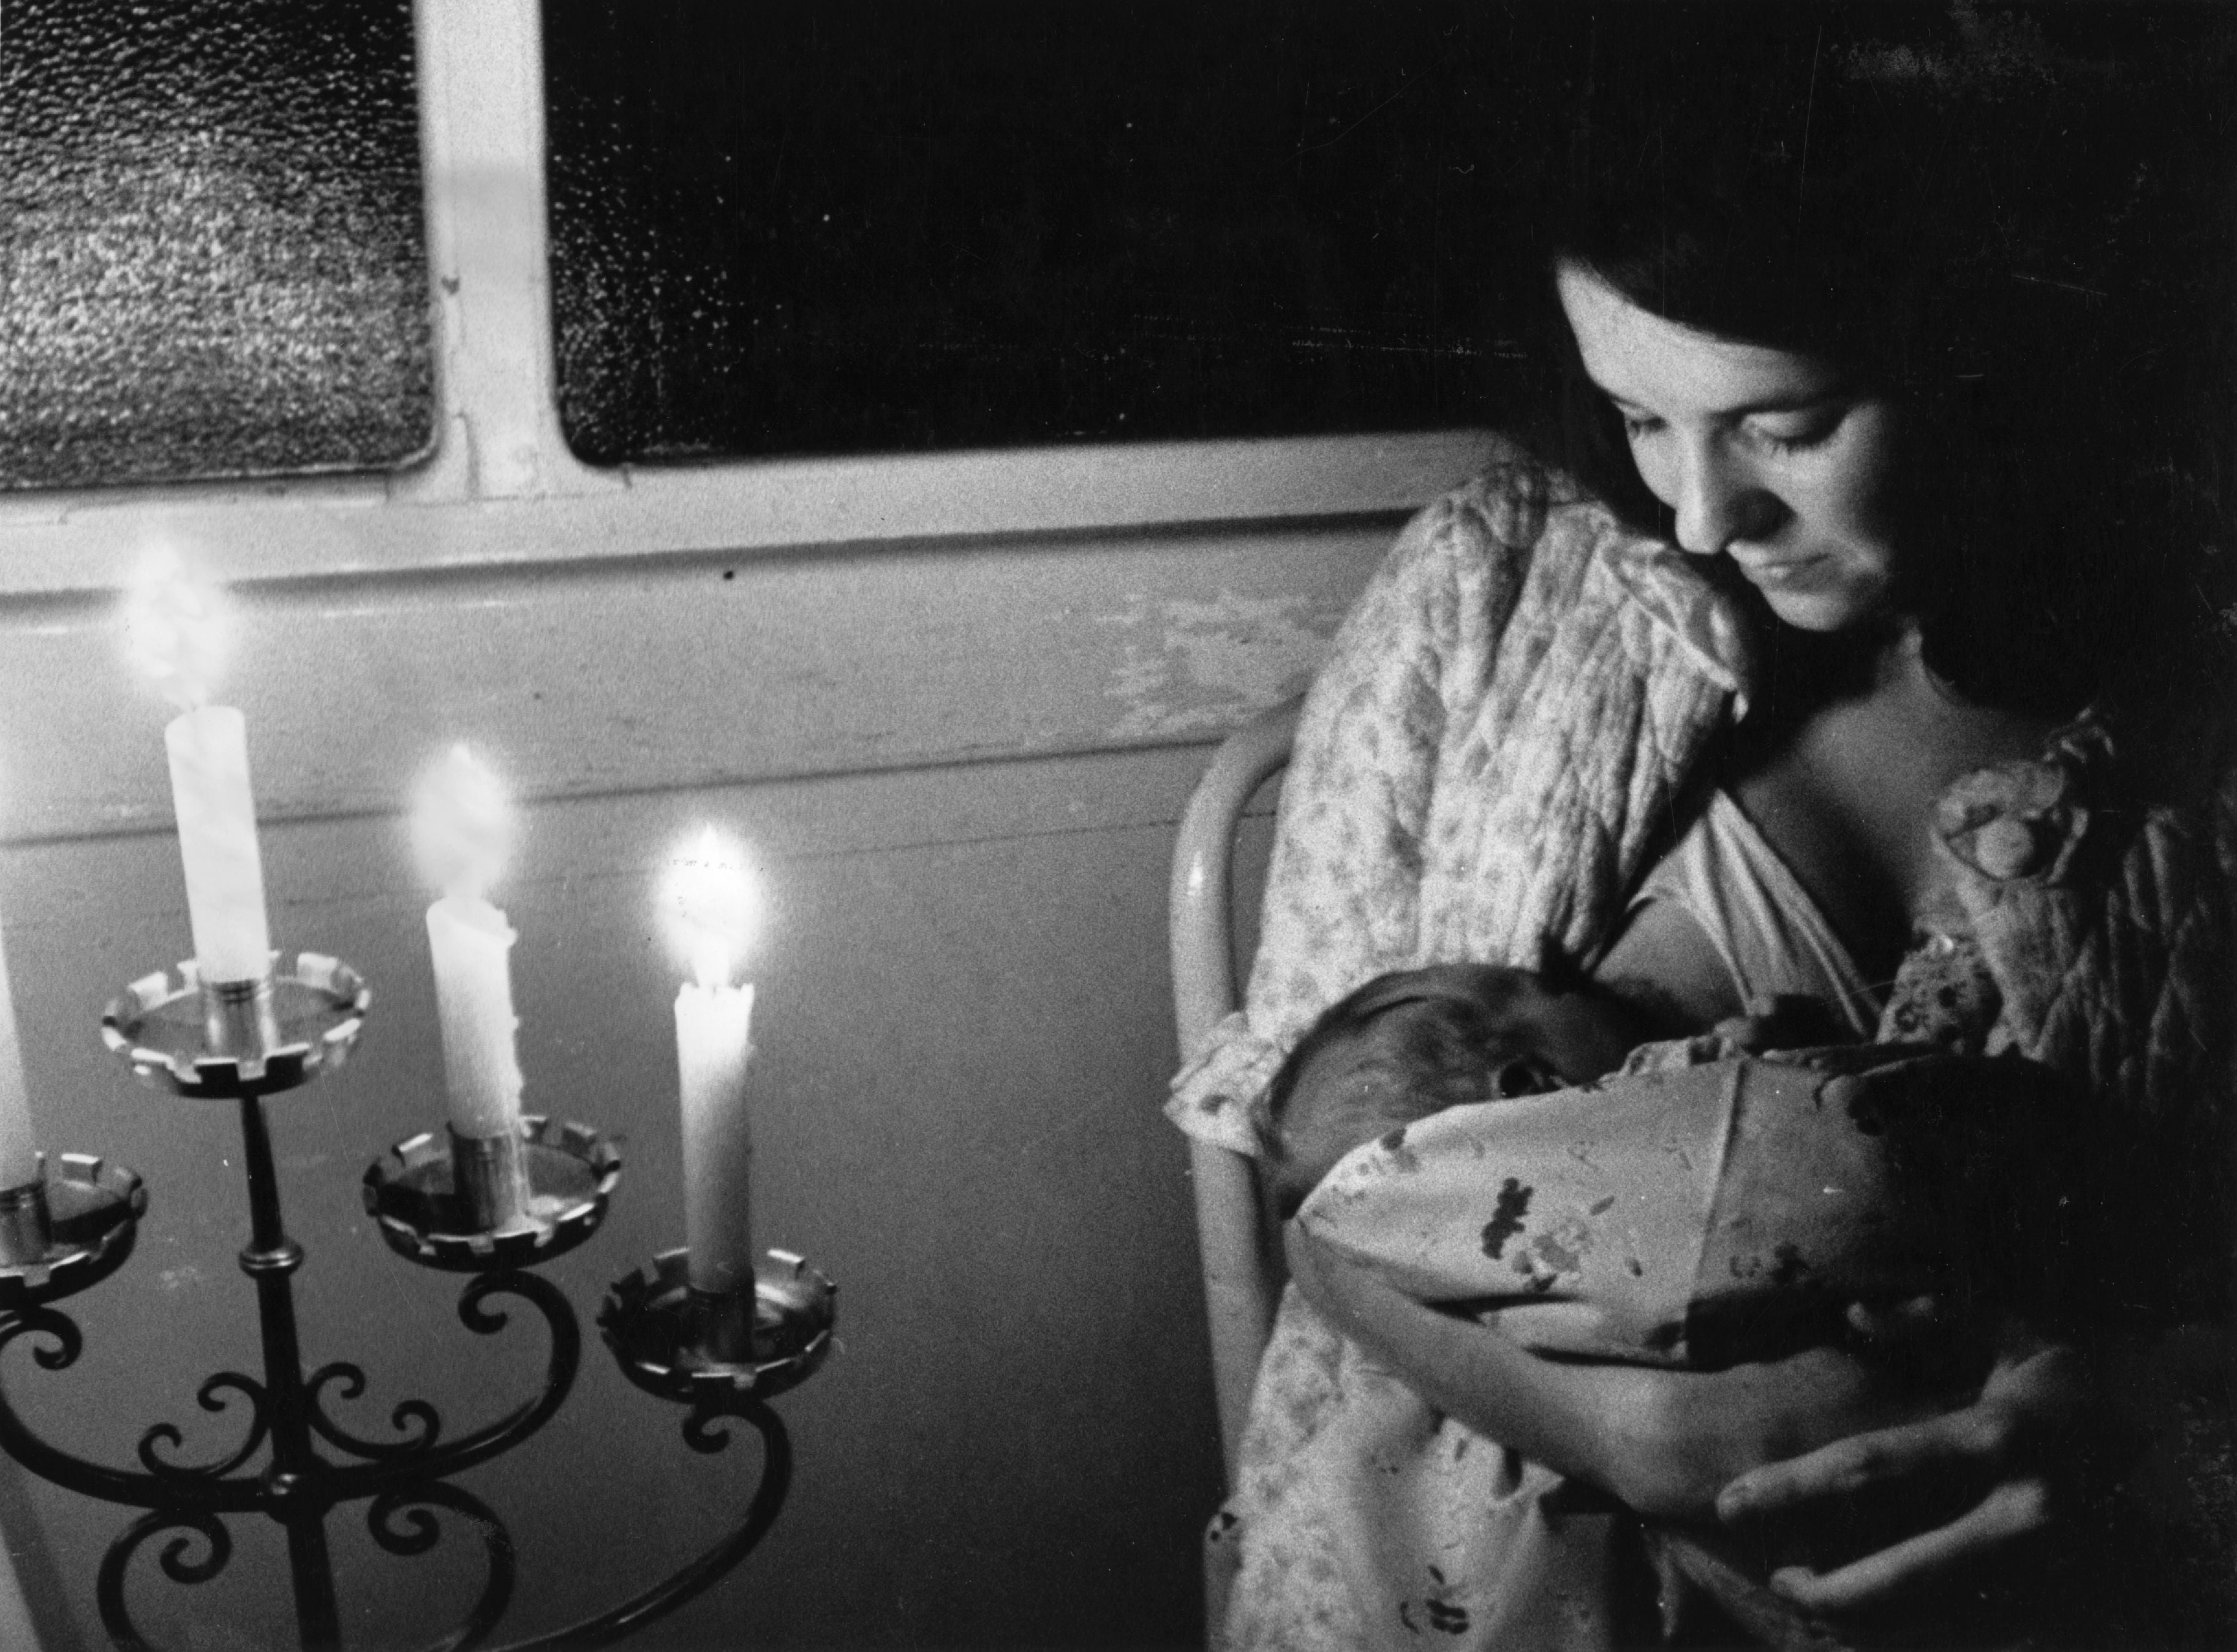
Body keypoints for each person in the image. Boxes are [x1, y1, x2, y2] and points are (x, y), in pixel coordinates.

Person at [1167, 10, 2233, 1648]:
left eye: (1783, 423)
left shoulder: (2188, 699)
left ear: (1993, 352)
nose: (1694, 511)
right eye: (1637, 413)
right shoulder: (1494, 593)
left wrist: (2162, 1430)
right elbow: (1316, 1178)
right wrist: (1593, 1422)